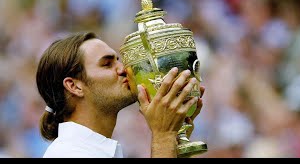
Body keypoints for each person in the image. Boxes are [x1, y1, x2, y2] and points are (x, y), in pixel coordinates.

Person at [36, 31, 204, 158]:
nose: (124, 69)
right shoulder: (68, 154)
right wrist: (163, 136)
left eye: (119, 60)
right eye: (107, 64)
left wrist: (175, 138)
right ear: (74, 86)